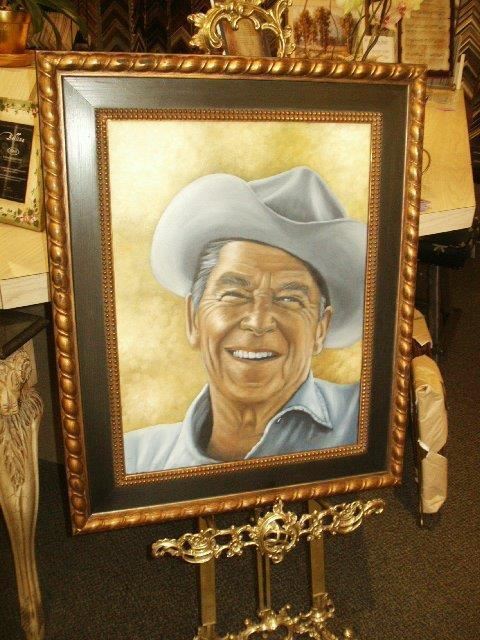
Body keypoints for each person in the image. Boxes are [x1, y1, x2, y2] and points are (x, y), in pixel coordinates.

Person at [124, 166, 367, 473]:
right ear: (193, 319)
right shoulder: (136, 460)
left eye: (289, 299)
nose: (258, 321)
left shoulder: (365, 418)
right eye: (234, 295)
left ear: (321, 329)